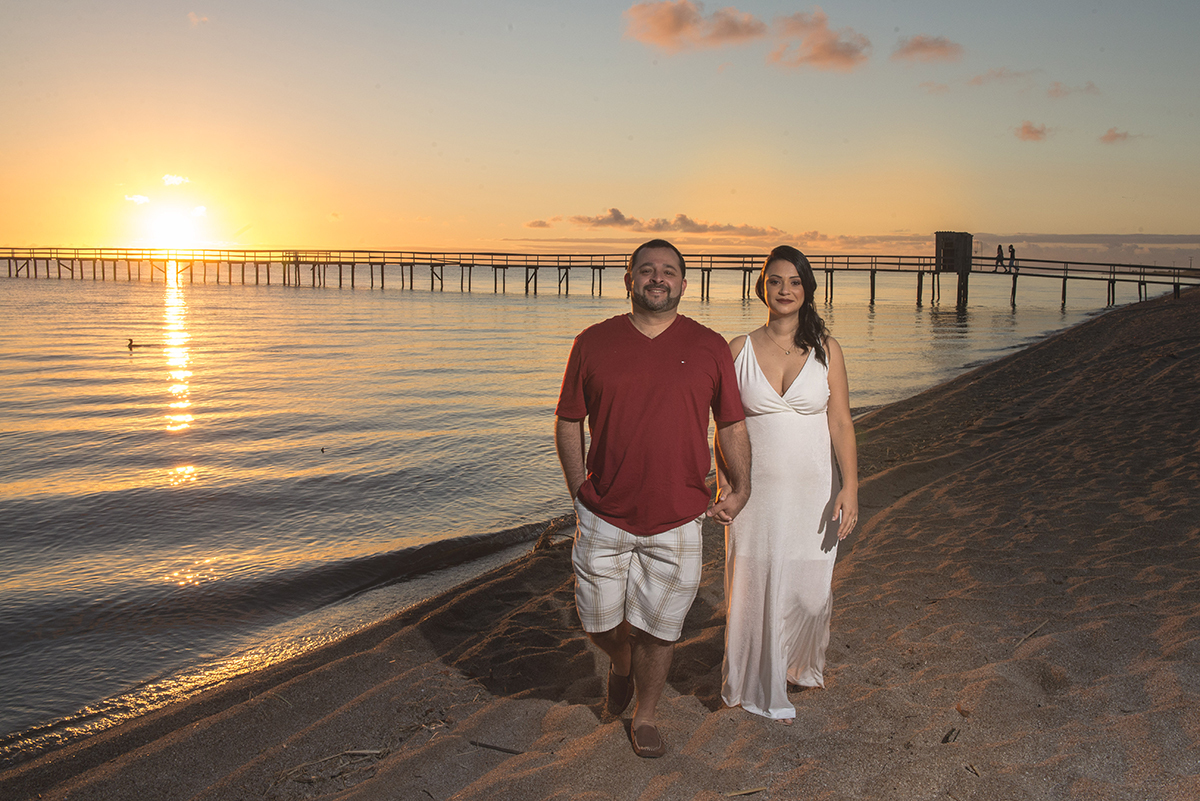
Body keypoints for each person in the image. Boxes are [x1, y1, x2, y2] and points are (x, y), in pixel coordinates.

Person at [555, 239, 752, 758]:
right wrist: (578, 487)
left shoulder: (709, 346)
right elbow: (569, 420)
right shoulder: (592, 343)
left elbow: (730, 422)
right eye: (647, 270)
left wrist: (742, 484)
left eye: (669, 271)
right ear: (628, 279)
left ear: (685, 284)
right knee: (599, 623)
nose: (657, 278)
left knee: (660, 631)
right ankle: (618, 665)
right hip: (603, 513)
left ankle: (645, 714)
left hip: (680, 516)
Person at [719, 245, 859, 724]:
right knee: (755, 584)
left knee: (810, 590)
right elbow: (715, 422)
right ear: (762, 287)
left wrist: (851, 486)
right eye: (775, 281)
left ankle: (799, 664)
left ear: (807, 290)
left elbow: (840, 421)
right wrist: (723, 480)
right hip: (755, 495)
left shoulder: (827, 350)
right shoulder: (737, 349)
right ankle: (758, 677)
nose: (784, 290)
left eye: (794, 282)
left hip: (814, 488)